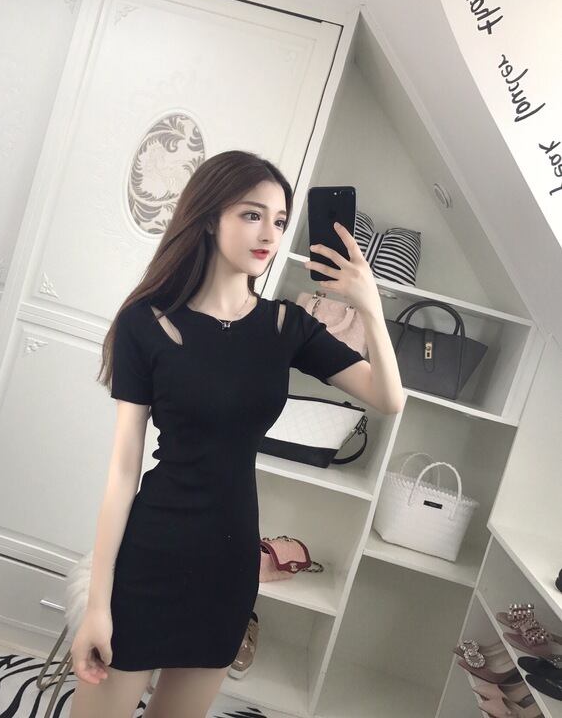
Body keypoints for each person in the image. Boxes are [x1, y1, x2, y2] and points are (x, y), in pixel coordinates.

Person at [69, 149, 404, 718]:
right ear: (208, 218)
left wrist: (369, 305)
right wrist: (97, 604)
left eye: (279, 220)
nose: (269, 233)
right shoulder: (146, 324)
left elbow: (389, 398)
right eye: (252, 215)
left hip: (228, 563)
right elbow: (123, 473)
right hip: (152, 554)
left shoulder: (285, 325)